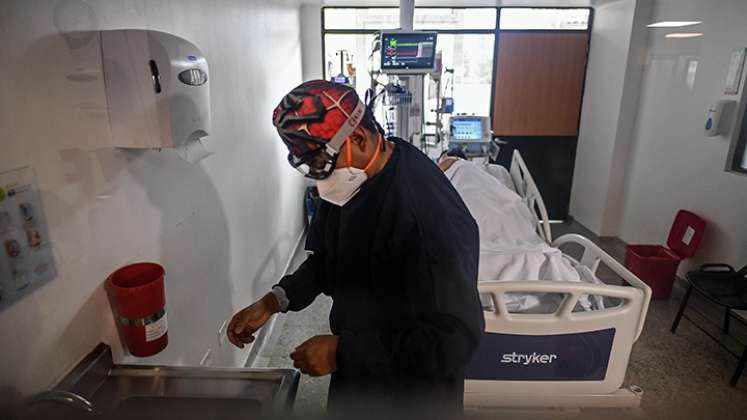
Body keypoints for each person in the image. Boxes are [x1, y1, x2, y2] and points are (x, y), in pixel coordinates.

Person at [227, 80, 484, 414]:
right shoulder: (352, 180)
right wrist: (274, 300)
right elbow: (328, 262)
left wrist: (341, 353)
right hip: (361, 370)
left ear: (359, 139)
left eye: (321, 162)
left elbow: (455, 341)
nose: (321, 177)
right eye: (310, 166)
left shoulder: (424, 216)